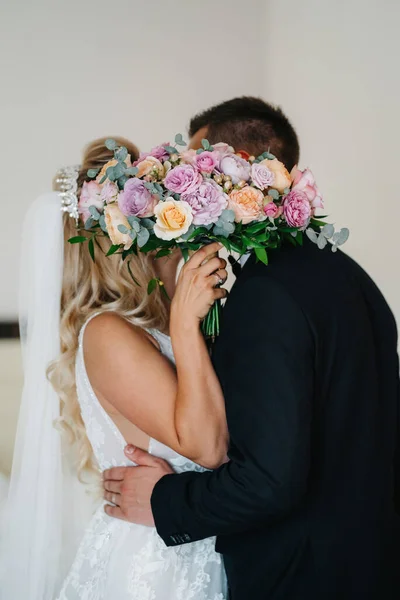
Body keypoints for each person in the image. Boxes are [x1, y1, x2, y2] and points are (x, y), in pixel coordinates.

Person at [103, 98, 400, 600]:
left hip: (301, 575)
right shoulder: (346, 272)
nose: (188, 182)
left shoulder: (267, 293)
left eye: (196, 166)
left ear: (235, 168)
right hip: (369, 560)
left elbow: (269, 482)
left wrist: (164, 501)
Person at [1, 136, 229, 600]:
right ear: (125, 236)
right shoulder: (107, 332)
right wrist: (185, 326)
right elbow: (207, 447)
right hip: (158, 565)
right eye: (159, 206)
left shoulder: (168, 325)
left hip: (201, 544)